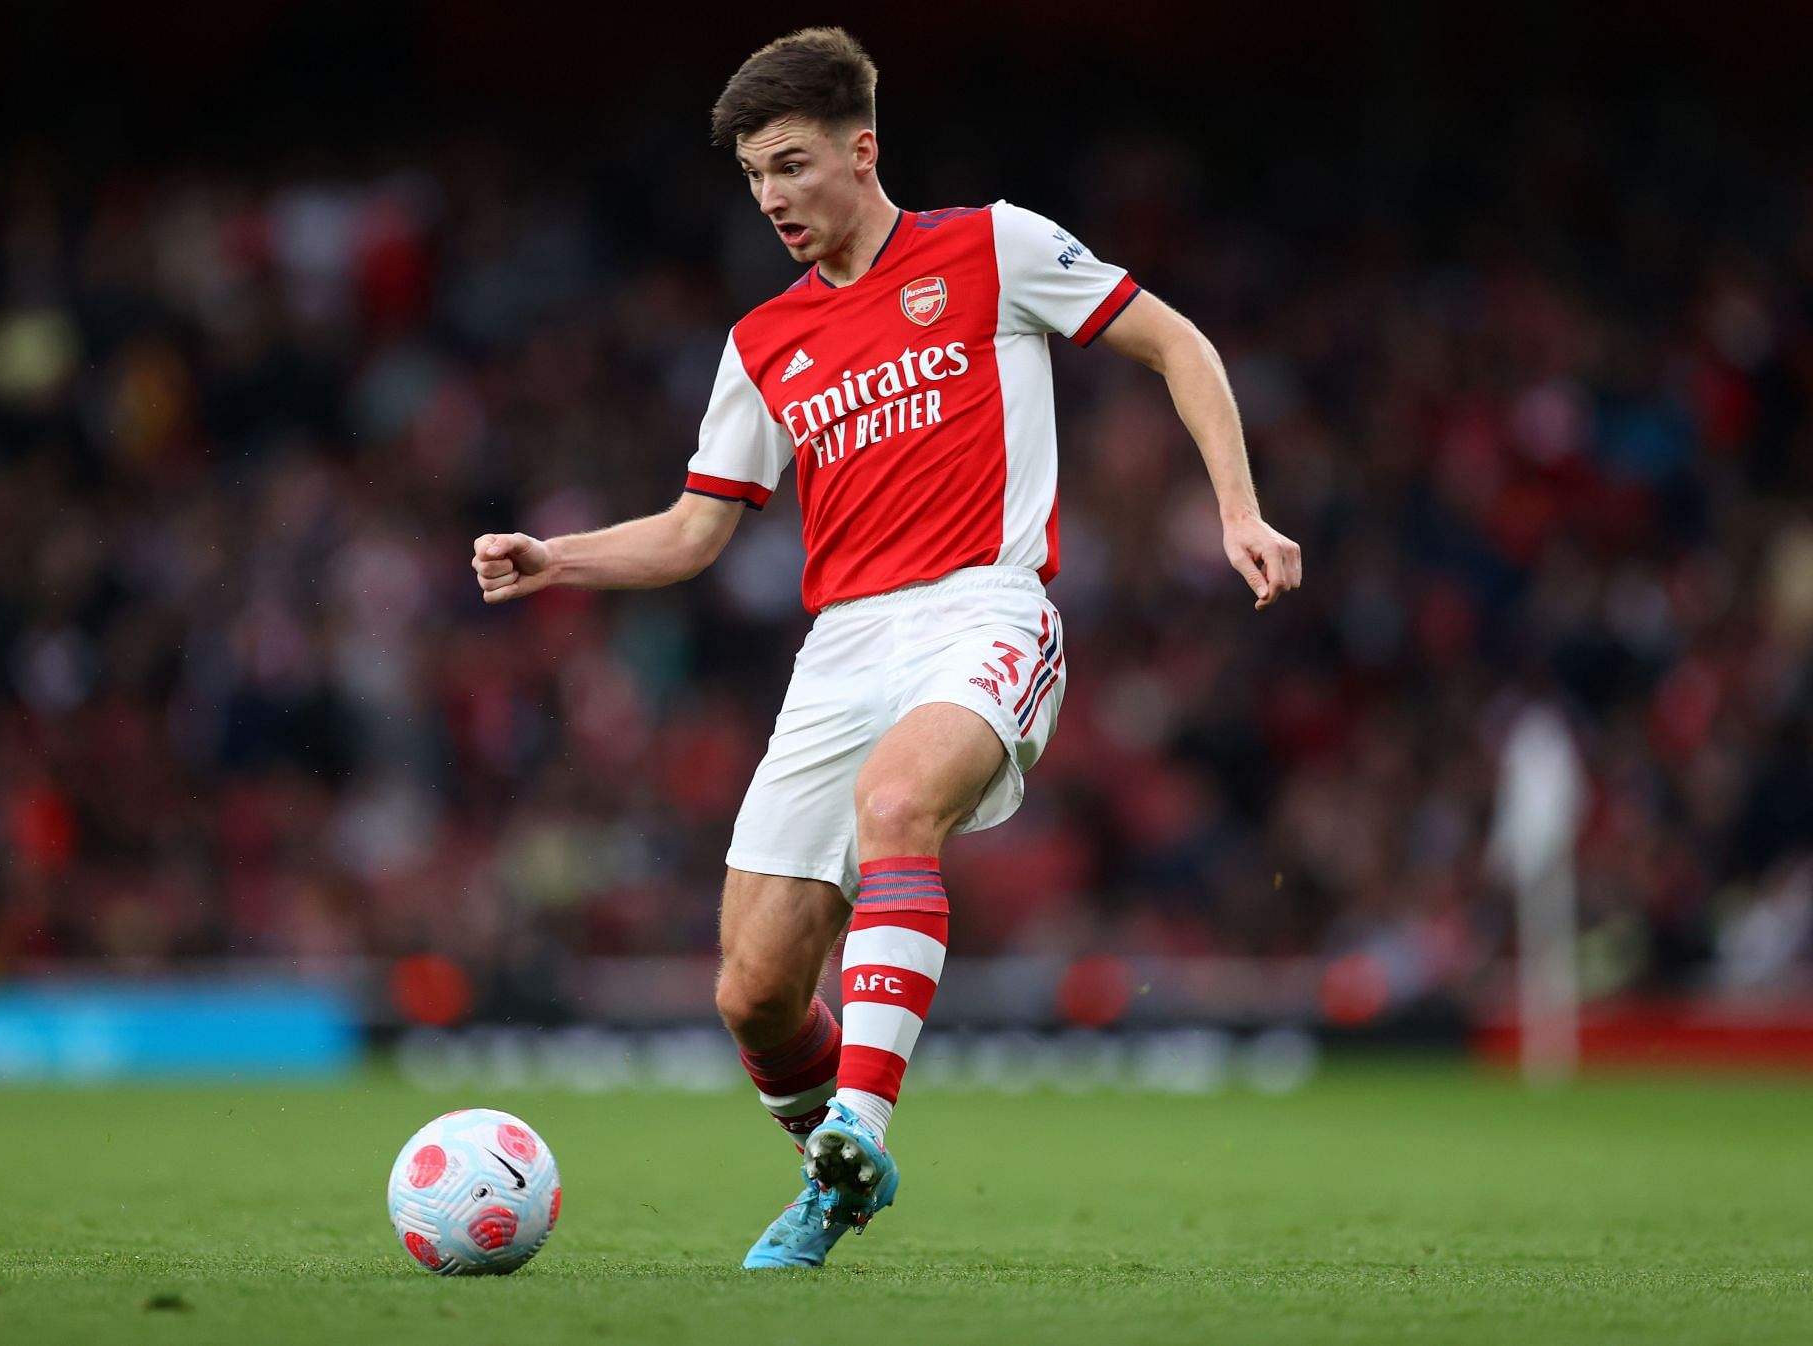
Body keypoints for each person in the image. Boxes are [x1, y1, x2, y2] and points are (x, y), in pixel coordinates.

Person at [471, 26, 1301, 1268]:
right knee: (751, 990)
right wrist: (558, 557)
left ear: (863, 151)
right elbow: (698, 530)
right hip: (841, 647)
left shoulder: (994, 246)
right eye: (754, 174)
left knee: (897, 799)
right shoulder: (762, 343)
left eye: (793, 165)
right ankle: (831, 1173)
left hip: (985, 608)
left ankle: (859, 1123)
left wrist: (1237, 506)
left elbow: (1178, 341)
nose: (771, 198)